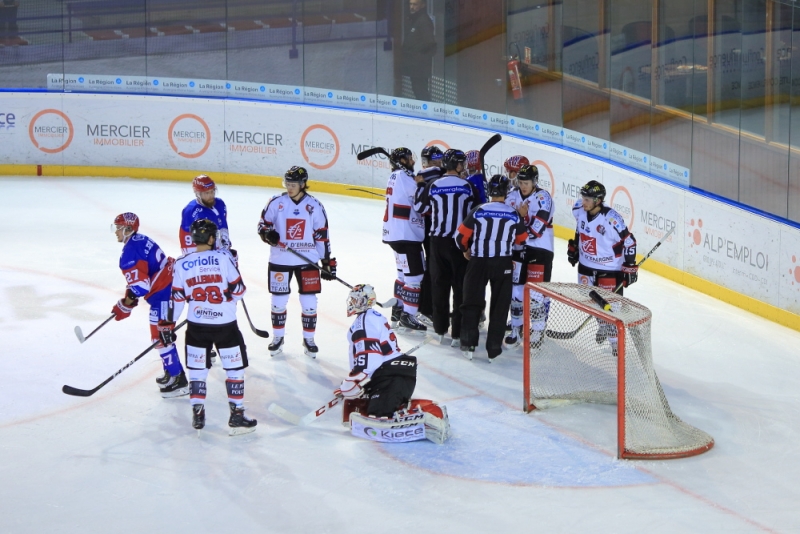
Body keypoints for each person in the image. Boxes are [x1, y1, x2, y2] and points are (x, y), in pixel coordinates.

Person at [163, 219, 255, 434]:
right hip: (225, 325)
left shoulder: (181, 263)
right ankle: (237, 415)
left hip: (197, 326)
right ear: (212, 238)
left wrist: (168, 325)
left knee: (197, 371)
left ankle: (197, 414)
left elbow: (177, 299)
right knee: (234, 369)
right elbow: (240, 291)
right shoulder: (224, 258)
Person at [336, 284, 450, 444]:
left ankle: (430, 417)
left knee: (378, 413)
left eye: (357, 299)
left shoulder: (364, 321)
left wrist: (353, 380)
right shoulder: (373, 316)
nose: (353, 302)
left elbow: (370, 356)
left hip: (389, 375)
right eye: (352, 299)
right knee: (358, 403)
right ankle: (426, 411)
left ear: (367, 301)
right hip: (395, 374)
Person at [257, 166, 336, 358]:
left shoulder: (314, 205)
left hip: (307, 260)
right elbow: (262, 225)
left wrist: (326, 261)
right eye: (287, 184)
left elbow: (322, 235)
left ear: (303, 184)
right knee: (278, 301)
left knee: (309, 303)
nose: (290, 187)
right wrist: (268, 235)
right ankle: (278, 338)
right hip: (280, 259)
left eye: (293, 184)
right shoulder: (276, 202)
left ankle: (309, 339)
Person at [110, 212, 188, 397]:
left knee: (160, 337)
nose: (116, 232)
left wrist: (126, 304)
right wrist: (128, 300)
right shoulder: (140, 239)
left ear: (128, 229)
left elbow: (141, 287)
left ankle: (178, 380)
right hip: (169, 286)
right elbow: (143, 279)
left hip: (165, 295)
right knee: (161, 336)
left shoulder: (129, 254)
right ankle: (172, 372)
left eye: (119, 228)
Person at [455, 176, 527, 360]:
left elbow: (460, 237)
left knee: (471, 303)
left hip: (478, 262)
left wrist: (466, 250)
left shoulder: (479, 210)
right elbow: (521, 239)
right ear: (506, 191)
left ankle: (468, 345)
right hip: (503, 263)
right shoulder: (513, 213)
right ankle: (493, 349)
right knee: (500, 306)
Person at [413, 149, 480, 346]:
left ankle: (441, 329)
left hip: (437, 243)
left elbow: (420, 208)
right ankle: (457, 334)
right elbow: (475, 213)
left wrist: (420, 186)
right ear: (458, 166)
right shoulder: (467, 186)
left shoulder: (434, 184)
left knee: (438, 285)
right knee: (460, 287)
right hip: (459, 243)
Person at [567, 180, 638, 348]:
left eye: (587, 199)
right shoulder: (579, 209)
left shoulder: (611, 219)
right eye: (583, 198)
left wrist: (629, 267)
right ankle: (604, 326)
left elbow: (629, 242)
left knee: (611, 308)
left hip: (609, 269)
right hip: (586, 266)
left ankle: (616, 345)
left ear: (598, 201)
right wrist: (575, 247)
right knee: (590, 301)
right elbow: (580, 228)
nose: (583, 202)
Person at [503, 164, 555, 348]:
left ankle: (538, 330)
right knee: (516, 292)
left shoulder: (543, 198)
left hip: (540, 251)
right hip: (517, 250)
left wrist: (520, 217)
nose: (523, 186)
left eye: (526, 182)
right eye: (521, 182)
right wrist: (520, 216)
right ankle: (517, 328)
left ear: (534, 182)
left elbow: (535, 232)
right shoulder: (511, 196)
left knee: (535, 294)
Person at [383, 147, 427, 333]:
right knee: (415, 277)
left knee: (403, 275)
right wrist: (423, 184)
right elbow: (419, 200)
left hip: (395, 234)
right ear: (401, 160)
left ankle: (398, 309)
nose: (412, 161)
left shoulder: (394, 176)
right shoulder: (403, 176)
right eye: (409, 158)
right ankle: (408, 315)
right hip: (407, 235)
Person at [414, 145, 444, 327]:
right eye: (435, 161)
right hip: (435, 227)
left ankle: (426, 307)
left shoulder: (428, 174)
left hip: (432, 227)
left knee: (433, 266)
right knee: (434, 267)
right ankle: (427, 308)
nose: (437, 164)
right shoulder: (440, 173)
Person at [179, 175, 233, 256]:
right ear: (198, 194)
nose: (211, 195)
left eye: (212, 191)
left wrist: (225, 245)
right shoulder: (190, 211)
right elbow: (186, 240)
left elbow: (222, 224)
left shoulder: (220, 204)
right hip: (203, 256)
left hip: (220, 251)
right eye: (207, 193)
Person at [402, 0, 436, 101]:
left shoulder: (424, 21)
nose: (412, 7)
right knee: (417, 90)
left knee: (421, 92)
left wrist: (417, 54)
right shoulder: (414, 19)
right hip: (414, 65)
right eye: (410, 4)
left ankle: (427, 113)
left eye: (415, 4)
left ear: (422, 5)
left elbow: (429, 44)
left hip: (420, 66)